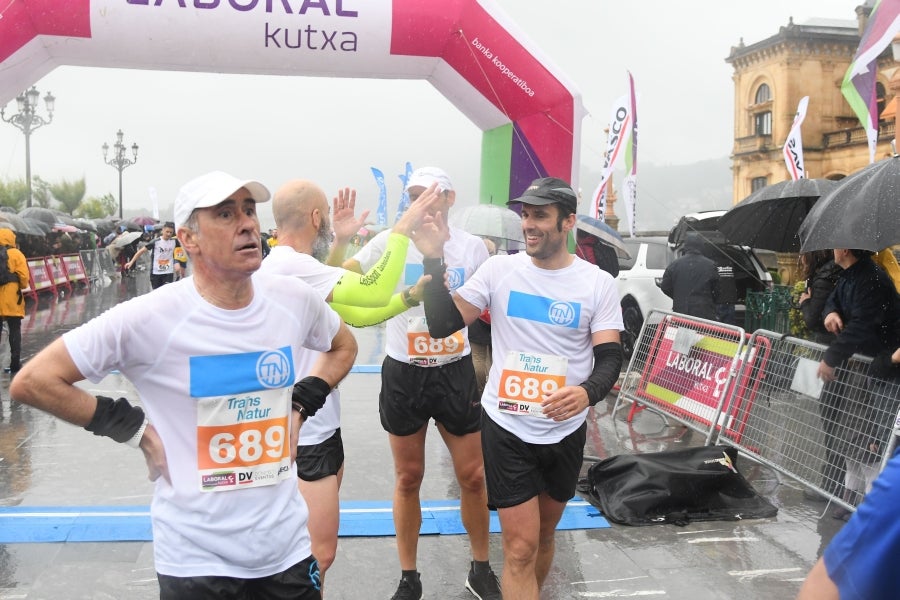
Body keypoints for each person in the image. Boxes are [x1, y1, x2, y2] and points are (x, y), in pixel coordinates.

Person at [9, 170, 358, 599]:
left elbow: (343, 346)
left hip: (284, 553)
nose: (247, 223)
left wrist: (301, 404)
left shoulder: (292, 299)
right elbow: (34, 381)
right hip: (195, 560)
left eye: (249, 210)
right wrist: (134, 429)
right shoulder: (151, 317)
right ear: (188, 239)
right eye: (226, 214)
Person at [419, 177, 624, 599]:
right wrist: (434, 260)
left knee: (545, 536)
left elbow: (609, 358)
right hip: (507, 425)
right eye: (525, 215)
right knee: (519, 547)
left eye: (540, 216)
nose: (528, 224)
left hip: (564, 429)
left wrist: (586, 393)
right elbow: (443, 325)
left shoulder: (597, 283)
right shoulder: (500, 270)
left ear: (568, 222)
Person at [259, 178, 437, 595]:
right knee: (316, 555)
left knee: (311, 553)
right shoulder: (290, 266)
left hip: (317, 425)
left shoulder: (288, 265)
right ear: (316, 217)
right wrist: (401, 230)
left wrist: (406, 300)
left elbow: (348, 313)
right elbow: (372, 290)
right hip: (305, 432)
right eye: (328, 222)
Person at [342, 167, 499, 600]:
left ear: (449, 197)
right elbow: (336, 281)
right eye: (413, 195)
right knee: (408, 477)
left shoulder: (472, 248)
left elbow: (491, 307)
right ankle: (409, 576)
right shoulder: (390, 241)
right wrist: (340, 241)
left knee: (473, 475)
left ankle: (481, 567)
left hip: (454, 369)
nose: (421, 203)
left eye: (429, 194)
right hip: (405, 370)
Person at [817, 248, 900, 513]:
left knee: (872, 442)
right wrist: (830, 312)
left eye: (835, 246)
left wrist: (830, 357)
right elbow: (832, 301)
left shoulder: (872, 278)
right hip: (863, 367)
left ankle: (870, 507)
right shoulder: (849, 276)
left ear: (844, 249)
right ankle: (849, 499)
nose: (832, 251)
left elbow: (862, 325)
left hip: (880, 369)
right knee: (853, 437)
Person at [796, 410, 900, 600]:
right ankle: (848, 502)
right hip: (858, 427)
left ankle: (853, 504)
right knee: (853, 465)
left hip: (869, 430)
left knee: (869, 471)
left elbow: (824, 585)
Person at [659, 233, 719, 320]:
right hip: (704, 314)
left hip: (681, 314)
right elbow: (717, 291)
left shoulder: (674, 265)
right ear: (701, 246)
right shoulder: (710, 265)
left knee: (682, 333)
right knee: (702, 333)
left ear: (686, 246)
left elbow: (665, 287)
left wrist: (678, 296)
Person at [0, 229, 29, 374]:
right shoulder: (17, 254)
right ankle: (15, 363)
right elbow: (24, 280)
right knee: (14, 330)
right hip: (12, 298)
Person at [124, 222, 186, 289]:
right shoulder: (155, 242)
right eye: (167, 232)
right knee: (157, 294)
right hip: (156, 272)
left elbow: (183, 250)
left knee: (166, 292)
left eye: (171, 232)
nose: (169, 234)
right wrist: (131, 262)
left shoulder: (174, 241)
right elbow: (140, 251)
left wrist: (179, 263)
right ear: (163, 230)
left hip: (168, 272)